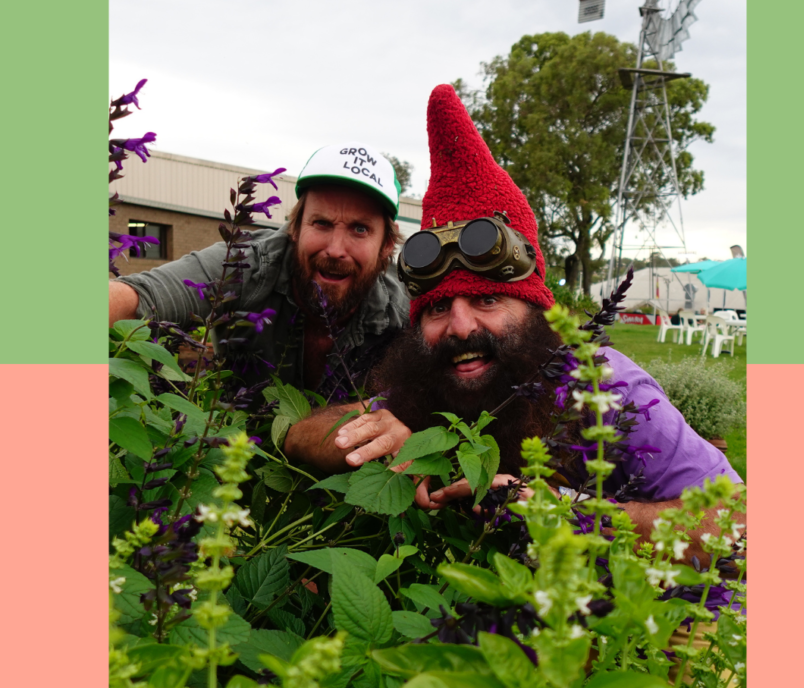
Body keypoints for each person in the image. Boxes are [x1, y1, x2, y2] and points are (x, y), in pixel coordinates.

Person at [285, 86, 744, 570]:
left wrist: (567, 515)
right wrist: (381, 429)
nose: (460, 328)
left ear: (534, 312)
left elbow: (744, 520)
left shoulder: (606, 388)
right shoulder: (431, 389)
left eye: (487, 300)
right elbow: (299, 436)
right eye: (438, 310)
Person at [109, 144, 409, 397]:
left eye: (360, 229)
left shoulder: (403, 312)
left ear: (386, 244)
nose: (335, 249)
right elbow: (140, 296)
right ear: (294, 227)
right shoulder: (242, 263)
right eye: (322, 223)